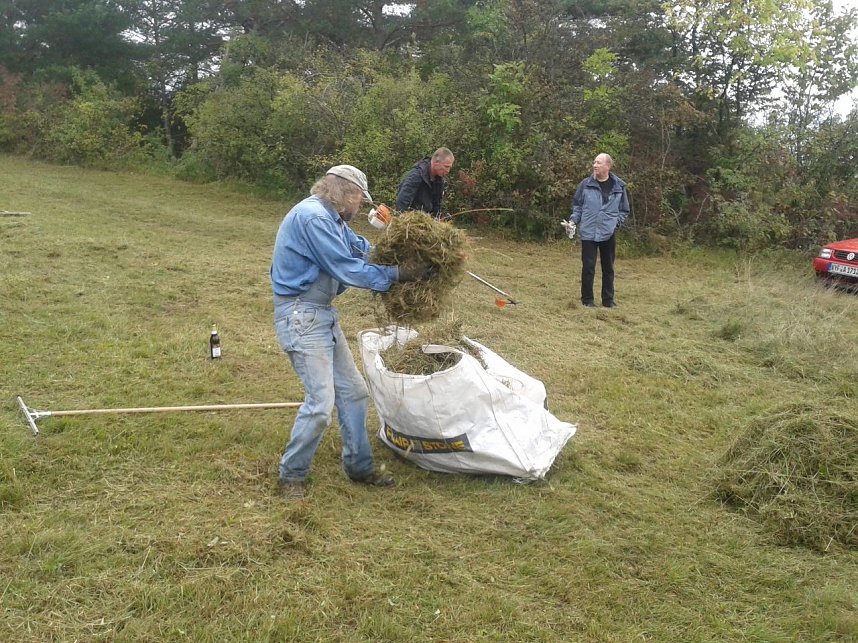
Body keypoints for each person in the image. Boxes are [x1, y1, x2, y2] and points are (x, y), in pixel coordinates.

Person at [270, 164, 431, 500]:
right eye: (359, 198)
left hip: (321, 315)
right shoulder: (314, 217)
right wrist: (398, 274)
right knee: (320, 403)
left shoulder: (332, 220)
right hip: (302, 315)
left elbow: (358, 248)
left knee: (355, 392)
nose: (360, 206)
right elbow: (346, 266)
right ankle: (291, 475)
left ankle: (359, 467)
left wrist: (401, 251)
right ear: (345, 192)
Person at [566, 153, 629, 308]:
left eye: (599, 163)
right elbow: (578, 206)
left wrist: (615, 223)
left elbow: (624, 210)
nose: (595, 165)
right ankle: (587, 300)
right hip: (588, 232)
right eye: (594, 162)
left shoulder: (619, 187)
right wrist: (573, 220)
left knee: (608, 268)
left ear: (608, 166)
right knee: (588, 267)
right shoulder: (585, 184)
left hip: (608, 233)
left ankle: (608, 301)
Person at [395, 147, 455, 218]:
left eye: (449, 168)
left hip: (425, 220)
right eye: (446, 166)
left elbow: (437, 205)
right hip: (411, 218)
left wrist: (436, 220)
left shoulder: (439, 180)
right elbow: (403, 199)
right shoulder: (417, 174)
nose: (448, 171)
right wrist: (401, 218)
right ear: (436, 163)